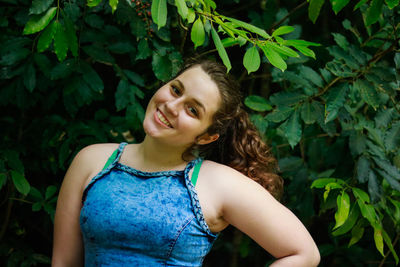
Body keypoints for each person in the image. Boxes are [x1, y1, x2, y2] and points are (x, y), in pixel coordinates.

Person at [52, 59, 320, 266]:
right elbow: (63, 263)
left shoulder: (217, 183)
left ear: (206, 136)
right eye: (175, 89)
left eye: (193, 110)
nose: (172, 105)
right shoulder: (92, 160)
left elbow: (304, 253)